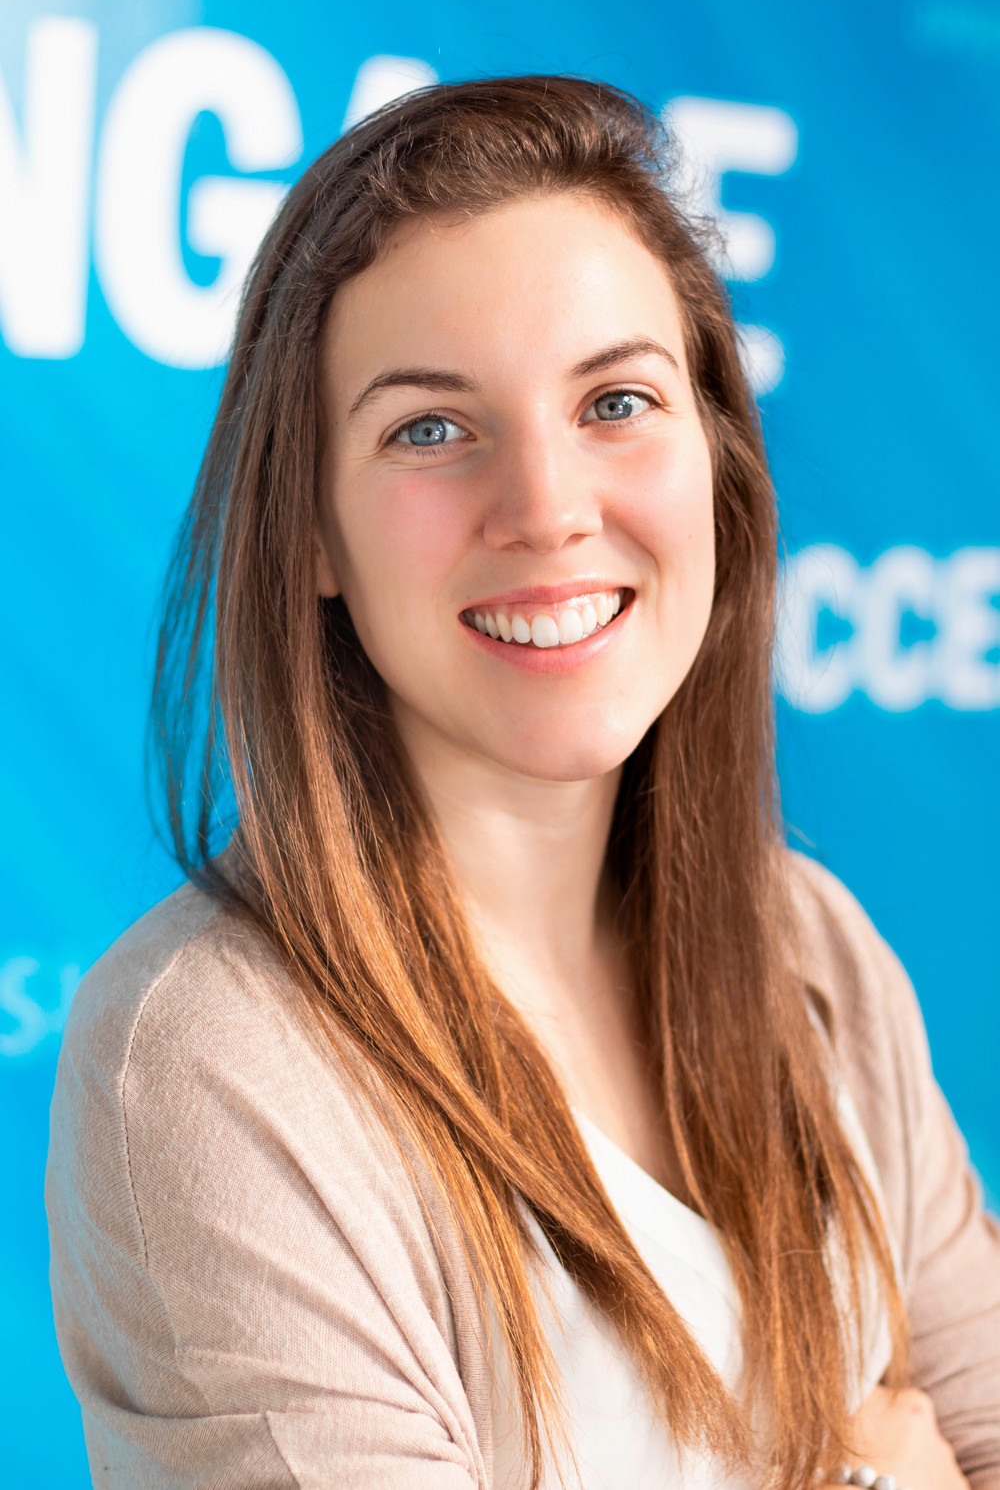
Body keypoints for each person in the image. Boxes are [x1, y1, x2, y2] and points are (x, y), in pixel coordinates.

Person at [44, 75, 1000, 1490]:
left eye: (617, 400)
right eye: (432, 428)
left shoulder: (818, 953)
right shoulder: (209, 1067)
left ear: (719, 469)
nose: (549, 505)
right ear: (309, 530)